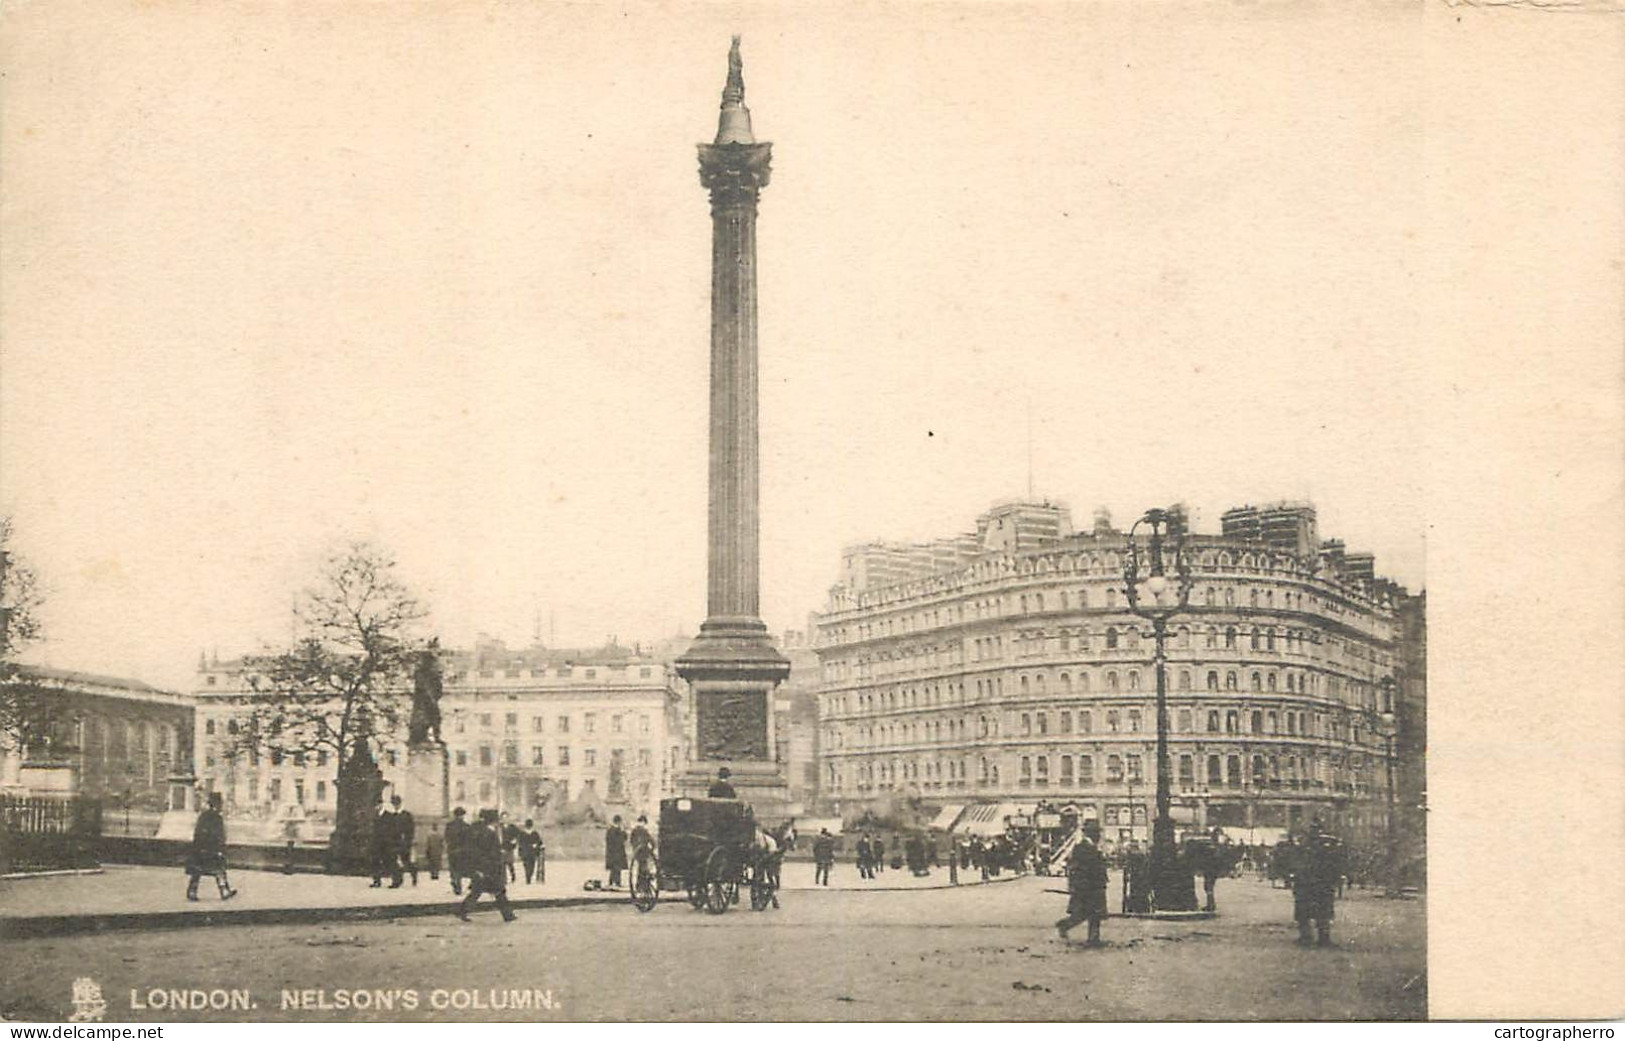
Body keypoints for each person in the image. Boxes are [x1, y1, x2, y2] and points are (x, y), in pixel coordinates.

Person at [457, 808, 516, 923]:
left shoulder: (484, 832)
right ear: (493, 821)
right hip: (489, 869)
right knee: (498, 891)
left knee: (478, 892)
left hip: (487, 868)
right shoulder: (488, 833)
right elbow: (485, 852)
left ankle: (462, 911)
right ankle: (508, 915)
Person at [1292, 823, 1344, 947]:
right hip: (1319, 884)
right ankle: (1319, 938)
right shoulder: (1327, 846)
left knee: (1310, 912)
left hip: (1310, 884)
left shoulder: (1304, 847)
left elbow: (1297, 865)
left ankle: (1310, 938)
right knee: (1320, 912)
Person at [1056, 824, 1108, 946]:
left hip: (1094, 885)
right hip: (1087, 886)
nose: (1099, 836)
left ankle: (1093, 937)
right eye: (1096, 833)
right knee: (1086, 913)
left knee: (1092, 912)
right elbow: (1080, 868)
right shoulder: (1082, 848)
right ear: (1091, 834)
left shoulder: (1091, 847)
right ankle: (1065, 925)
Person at [185, 791, 237, 901]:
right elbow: (217, 835)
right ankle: (223, 891)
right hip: (211, 849)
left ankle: (192, 892)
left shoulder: (204, 816)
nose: (221, 806)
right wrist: (219, 848)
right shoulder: (215, 817)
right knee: (218, 870)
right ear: (217, 804)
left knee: (199, 871)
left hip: (202, 849)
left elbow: (198, 833)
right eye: (220, 804)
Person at [371, 798, 400, 888]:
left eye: (377, 805)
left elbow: (394, 830)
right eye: (374, 806)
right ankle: (377, 881)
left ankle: (396, 881)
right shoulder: (376, 816)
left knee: (390, 862)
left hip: (388, 844)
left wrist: (392, 843)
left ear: (381, 805)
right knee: (375, 862)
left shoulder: (389, 816)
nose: (376, 808)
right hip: (377, 844)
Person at [445, 806, 470, 895]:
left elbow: (447, 838)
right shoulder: (466, 826)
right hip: (462, 851)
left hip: (452, 850)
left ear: (455, 815)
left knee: (453, 869)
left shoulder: (449, 825)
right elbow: (468, 840)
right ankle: (458, 886)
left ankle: (454, 881)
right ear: (463, 815)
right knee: (460, 869)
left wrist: (449, 847)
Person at [393, 796, 418, 887]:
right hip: (395, 842)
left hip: (405, 842)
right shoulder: (393, 816)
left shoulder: (407, 815)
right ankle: (397, 881)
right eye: (394, 804)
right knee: (394, 861)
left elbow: (411, 829)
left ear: (400, 804)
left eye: (397, 804)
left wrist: (408, 841)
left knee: (406, 861)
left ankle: (414, 875)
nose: (396, 806)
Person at [1123, 840, 1152, 914]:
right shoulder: (1141, 854)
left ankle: (1135, 907)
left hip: (1136, 876)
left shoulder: (1133, 854)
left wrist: (1128, 872)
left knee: (1135, 891)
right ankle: (1142, 907)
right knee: (1141, 892)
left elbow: (1129, 865)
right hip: (1141, 876)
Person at [605, 814, 628, 889]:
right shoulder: (615, 830)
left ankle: (612, 882)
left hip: (613, 852)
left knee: (614, 868)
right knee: (616, 868)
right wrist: (622, 832)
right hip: (616, 852)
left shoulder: (610, 830)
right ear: (618, 822)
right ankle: (616, 882)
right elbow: (621, 839)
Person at [518, 819, 542, 884]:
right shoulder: (522, 833)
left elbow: (539, 842)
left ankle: (529, 876)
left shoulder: (535, 833)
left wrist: (536, 845)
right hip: (526, 852)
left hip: (531, 852)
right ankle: (528, 877)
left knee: (531, 866)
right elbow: (520, 844)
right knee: (527, 865)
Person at [500, 815, 520, 883]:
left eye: (506, 818)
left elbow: (519, 834)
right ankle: (504, 879)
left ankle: (513, 876)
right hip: (502, 847)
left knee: (510, 863)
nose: (505, 819)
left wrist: (515, 840)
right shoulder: (499, 827)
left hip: (509, 847)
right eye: (503, 818)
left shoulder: (512, 827)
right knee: (502, 864)